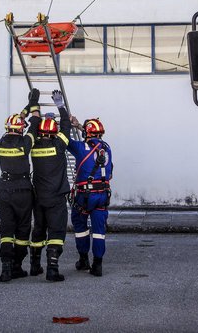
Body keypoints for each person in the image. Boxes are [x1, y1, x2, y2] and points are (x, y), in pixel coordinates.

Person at [0, 89, 41, 282]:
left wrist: (26, 105)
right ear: (21, 129)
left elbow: (20, 120)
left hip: (4, 191)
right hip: (23, 191)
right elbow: (35, 123)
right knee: (23, 230)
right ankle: (17, 266)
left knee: (6, 229)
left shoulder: (2, 141)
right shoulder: (25, 142)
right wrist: (34, 104)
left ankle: (5, 268)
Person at [29, 89, 71, 282]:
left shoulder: (33, 146)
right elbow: (66, 127)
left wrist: (33, 102)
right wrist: (60, 106)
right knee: (56, 232)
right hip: (56, 198)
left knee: (38, 230)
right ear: (54, 133)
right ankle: (52, 270)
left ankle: (34, 266)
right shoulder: (59, 146)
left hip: (38, 198)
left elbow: (35, 123)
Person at [67, 116, 113, 277]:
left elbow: (64, 139)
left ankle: (83, 259)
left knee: (80, 227)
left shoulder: (80, 147)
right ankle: (97, 265)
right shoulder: (107, 149)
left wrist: (68, 123)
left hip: (85, 196)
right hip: (102, 195)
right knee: (99, 231)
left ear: (86, 133)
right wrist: (79, 126)